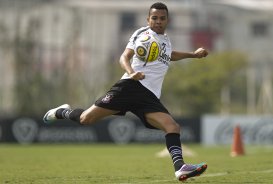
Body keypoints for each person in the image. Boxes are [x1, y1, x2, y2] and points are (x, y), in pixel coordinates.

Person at [43, 2, 208, 181]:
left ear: (167, 20)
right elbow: (124, 57)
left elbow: (170, 55)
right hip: (129, 87)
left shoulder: (166, 40)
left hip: (149, 96)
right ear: (148, 19)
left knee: (172, 127)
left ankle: (180, 168)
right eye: (154, 18)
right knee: (86, 119)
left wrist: (193, 54)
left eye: (162, 18)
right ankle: (60, 112)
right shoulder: (142, 34)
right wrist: (132, 72)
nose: (158, 21)